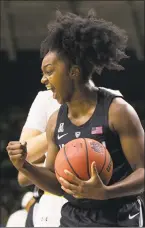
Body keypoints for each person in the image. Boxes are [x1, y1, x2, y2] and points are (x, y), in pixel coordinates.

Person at [6, 10, 144, 227]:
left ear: (74, 72)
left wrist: (106, 192)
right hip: (73, 217)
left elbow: (142, 171)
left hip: (118, 217)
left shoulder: (117, 111)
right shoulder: (55, 121)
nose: (43, 79)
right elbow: (57, 182)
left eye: (49, 71)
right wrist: (25, 166)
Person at [18, 90, 67, 227]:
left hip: (97, 202)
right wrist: (60, 129)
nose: (43, 78)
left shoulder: (111, 101)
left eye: (50, 71)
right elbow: (22, 175)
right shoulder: (46, 100)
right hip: (54, 203)